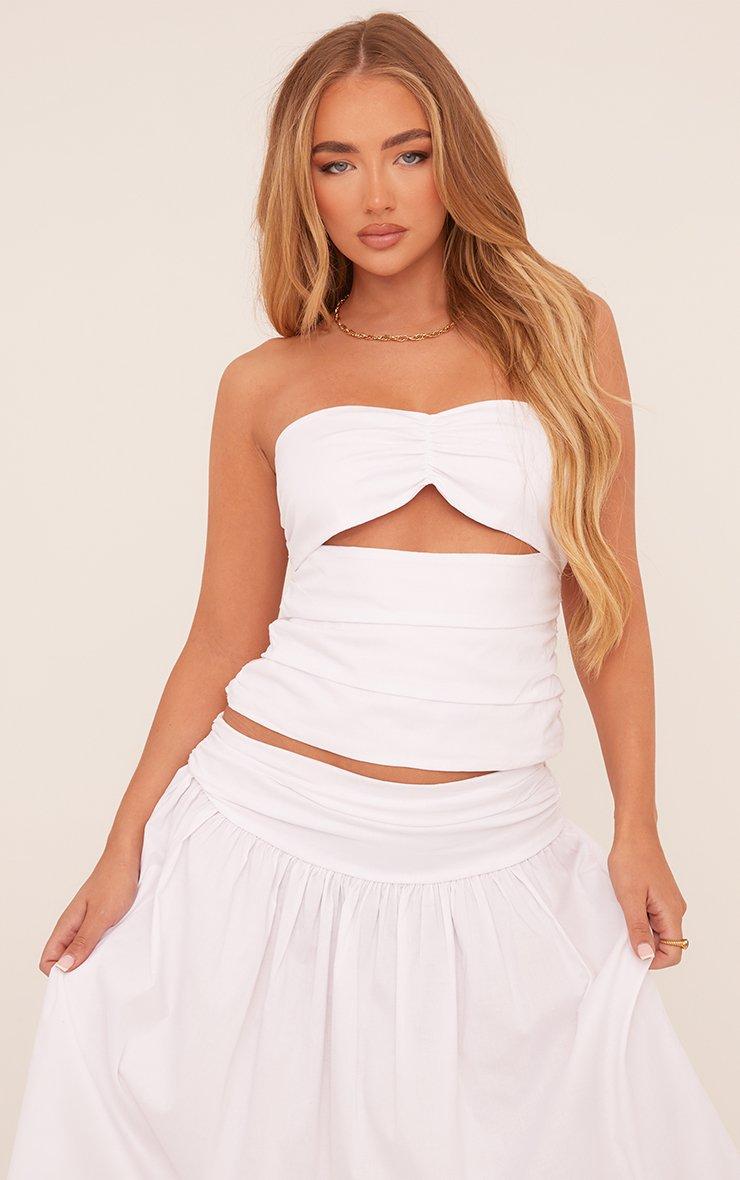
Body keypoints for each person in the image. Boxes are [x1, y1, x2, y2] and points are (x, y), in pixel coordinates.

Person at [8, 12, 740, 1179]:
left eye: (407, 152)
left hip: (488, 848)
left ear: (456, 157)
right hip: (265, 829)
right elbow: (220, 639)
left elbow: (605, 604)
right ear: (299, 186)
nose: (376, 195)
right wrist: (121, 848)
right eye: (335, 163)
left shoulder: (566, 330)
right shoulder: (265, 383)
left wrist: (635, 825)